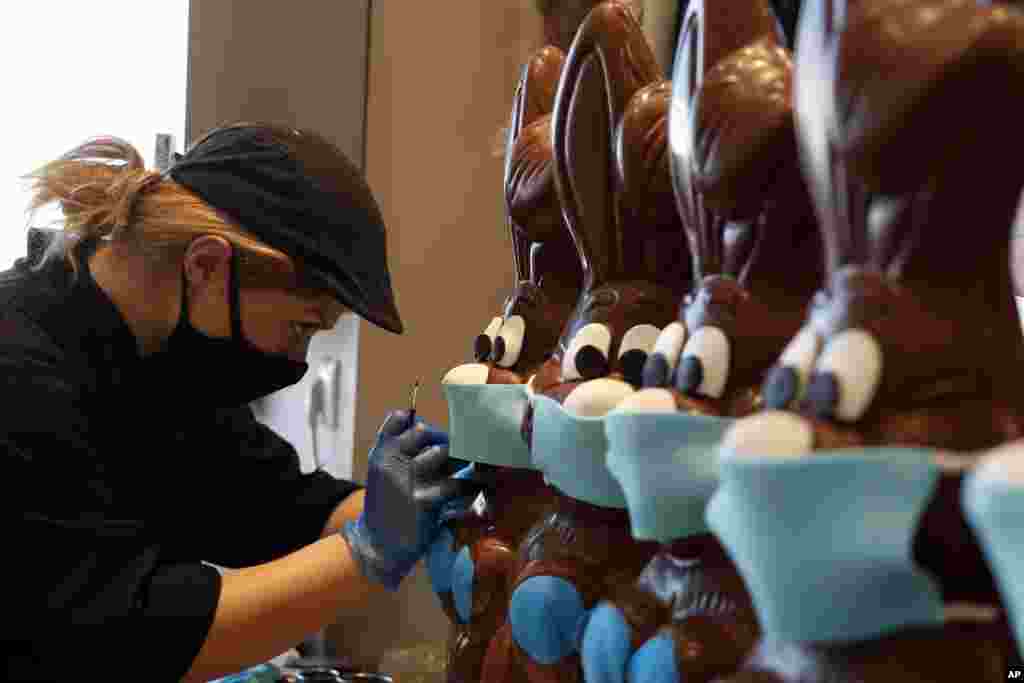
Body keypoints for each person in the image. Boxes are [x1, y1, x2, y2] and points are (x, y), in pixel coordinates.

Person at [3, 123, 482, 682]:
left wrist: (425, 498)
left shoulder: (160, 369)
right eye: (301, 328)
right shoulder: (21, 379)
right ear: (206, 266)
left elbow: (276, 505)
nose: (296, 357)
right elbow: (131, 636)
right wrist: (369, 550)